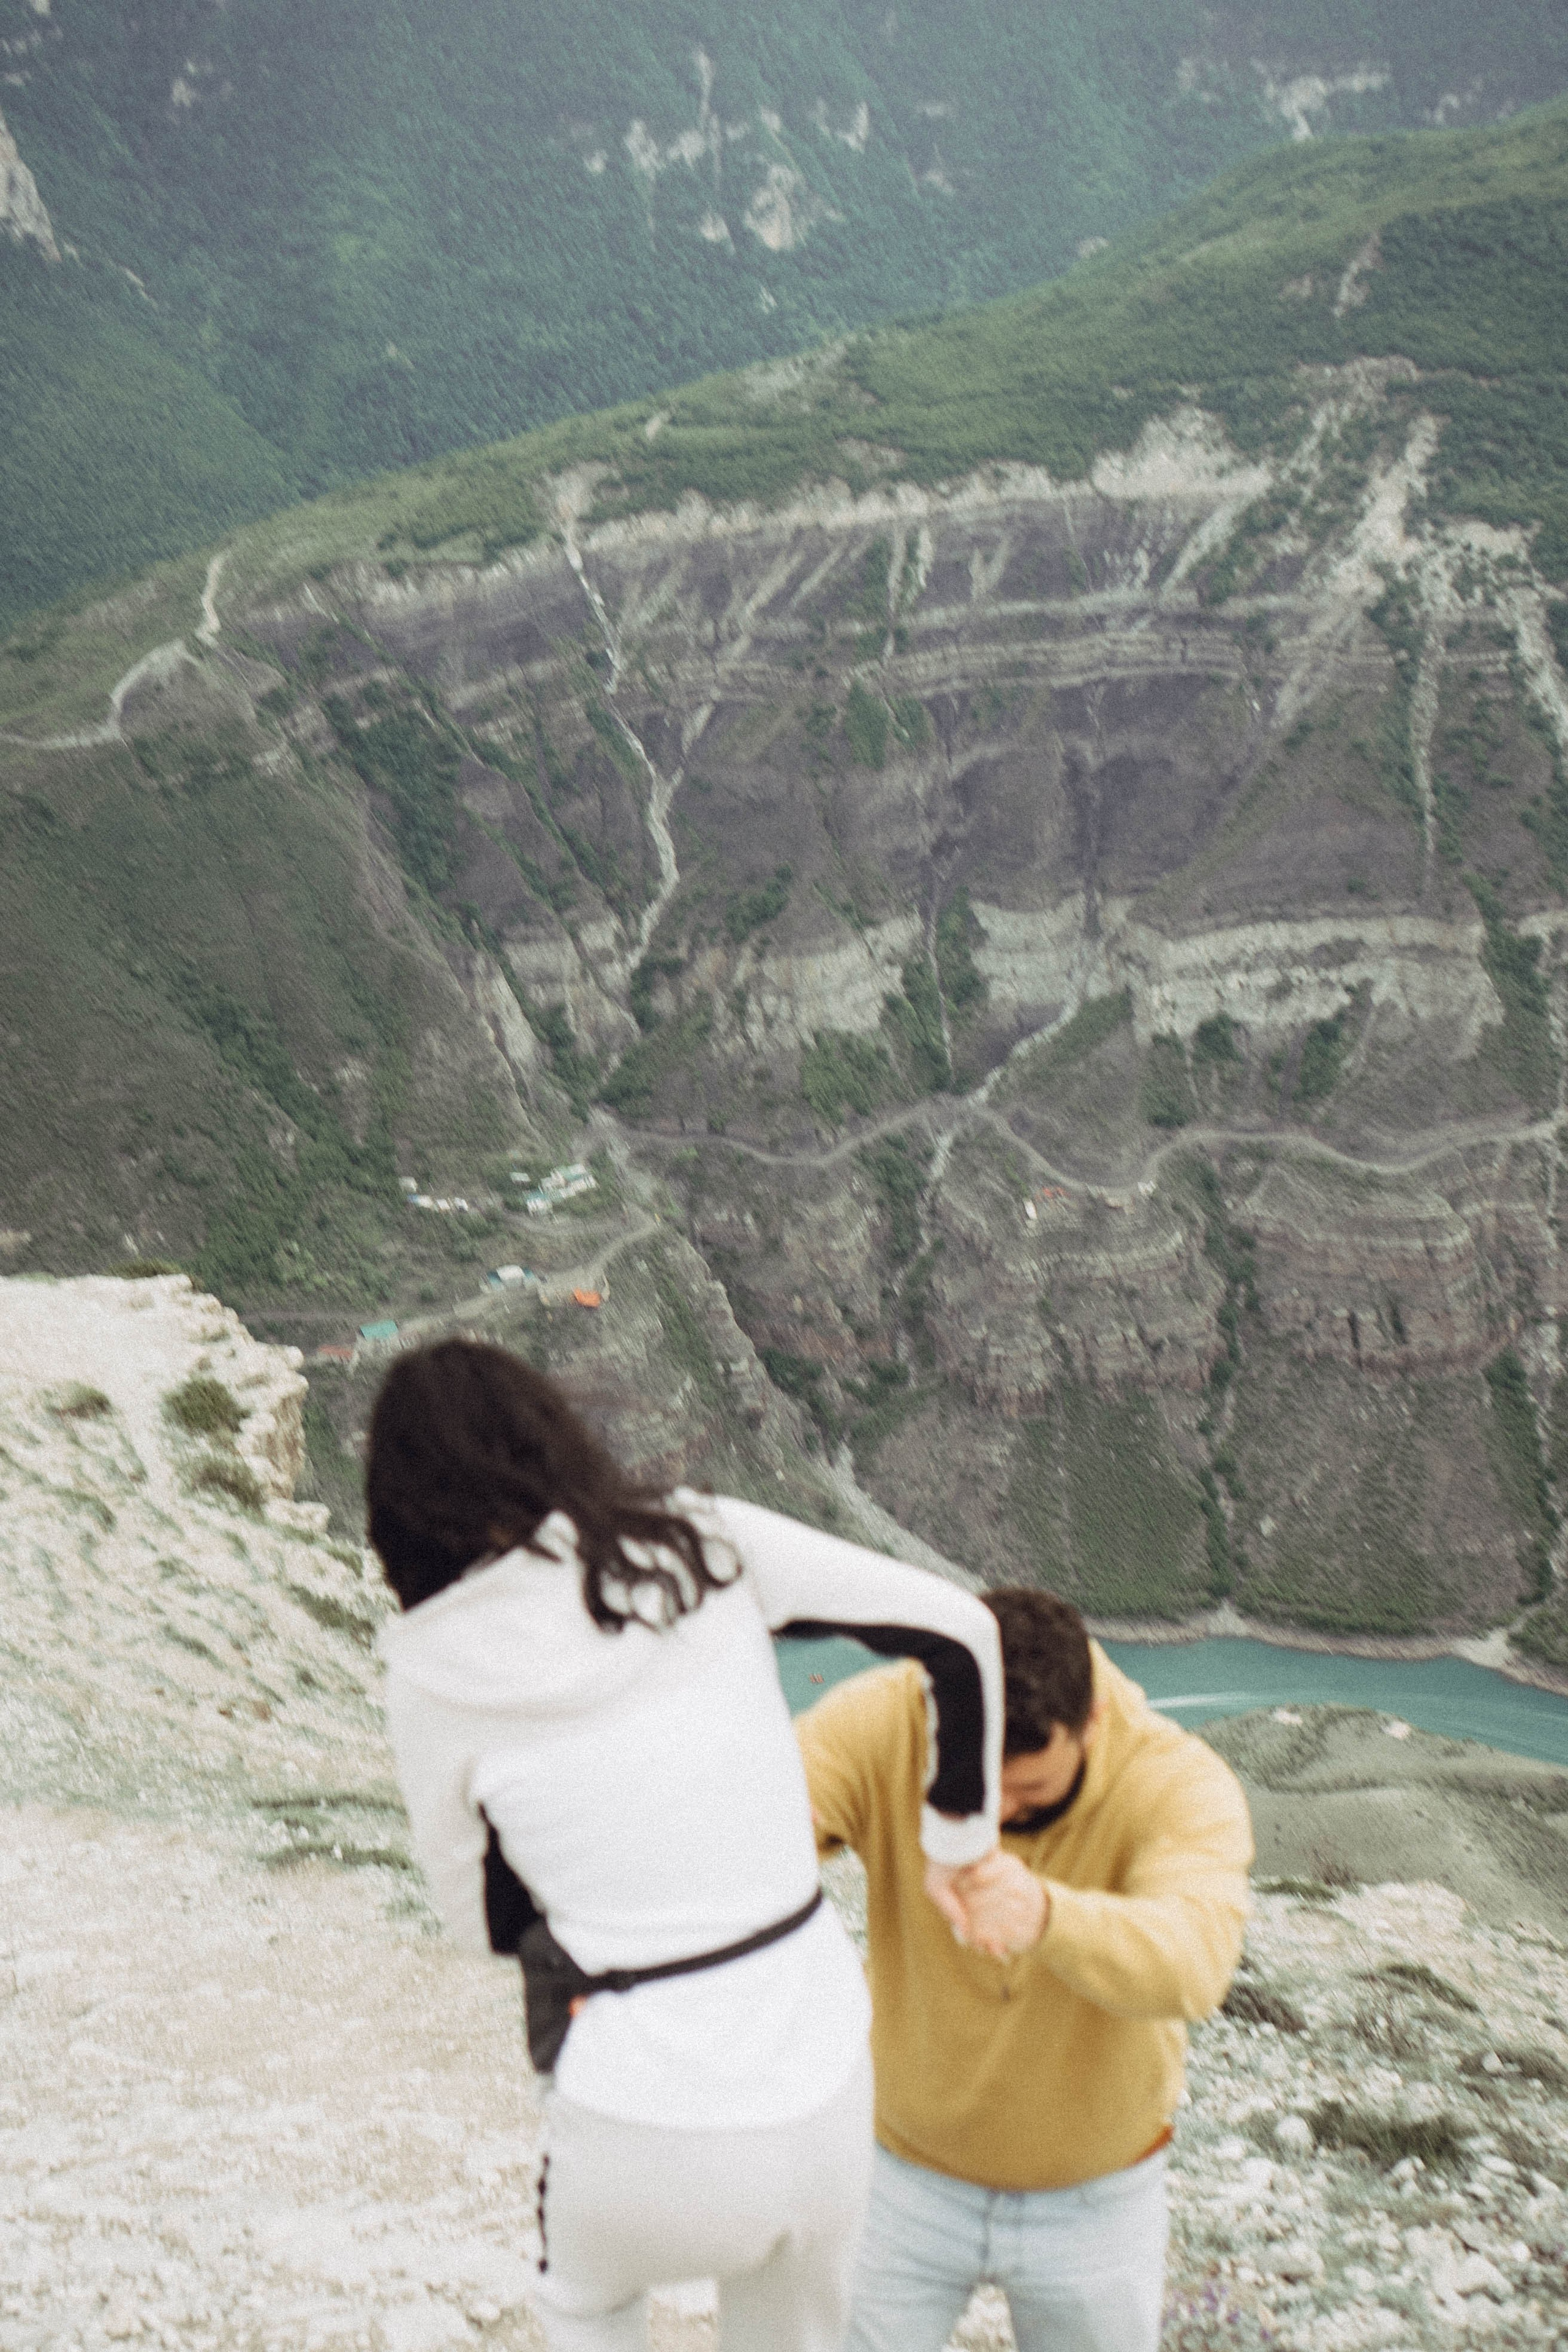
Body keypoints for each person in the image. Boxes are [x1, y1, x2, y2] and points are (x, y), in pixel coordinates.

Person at [366, 1338, 1006, 2352]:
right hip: (831, 2084)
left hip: (639, 2125)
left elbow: (480, 1923)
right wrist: (957, 1838)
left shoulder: (427, 1673)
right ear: (553, 1438)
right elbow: (964, 1632)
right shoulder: (706, 1543)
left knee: (585, 2307)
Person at [797, 1585, 1254, 2352]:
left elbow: (1196, 1963)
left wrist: (1048, 1917)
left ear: (1092, 1722)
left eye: (1029, 1789)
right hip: (900, 2176)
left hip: (1096, 2199)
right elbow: (760, 1825)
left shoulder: (1177, 1781)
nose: (997, 1816)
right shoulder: (889, 1717)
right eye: (975, 1790)